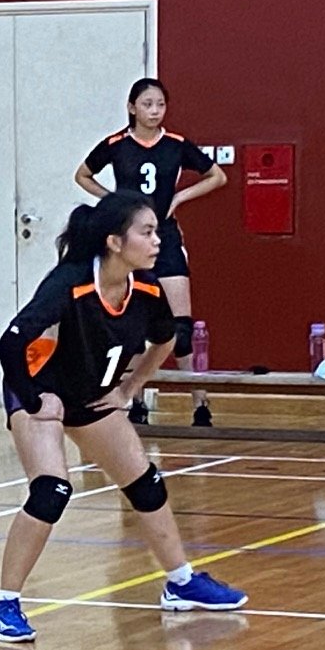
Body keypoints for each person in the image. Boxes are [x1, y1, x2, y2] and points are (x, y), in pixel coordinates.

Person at [0, 192, 248, 645]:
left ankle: (180, 581)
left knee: (146, 483)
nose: (156, 240)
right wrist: (33, 399)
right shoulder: (68, 284)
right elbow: (9, 345)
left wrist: (129, 389)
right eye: (145, 232)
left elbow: (166, 340)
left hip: (92, 394)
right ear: (114, 242)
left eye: (155, 231)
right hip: (40, 388)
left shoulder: (145, 290)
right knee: (52, 491)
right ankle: (3, 603)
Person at [75, 77, 228, 425]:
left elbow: (217, 176)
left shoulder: (175, 144)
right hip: (130, 241)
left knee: (181, 329)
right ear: (132, 108)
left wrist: (178, 197)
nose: (154, 111)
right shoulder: (116, 145)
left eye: (160, 104)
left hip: (166, 236)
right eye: (147, 104)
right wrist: (113, 203)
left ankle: (200, 404)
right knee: (131, 326)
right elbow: (82, 175)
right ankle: (134, 402)